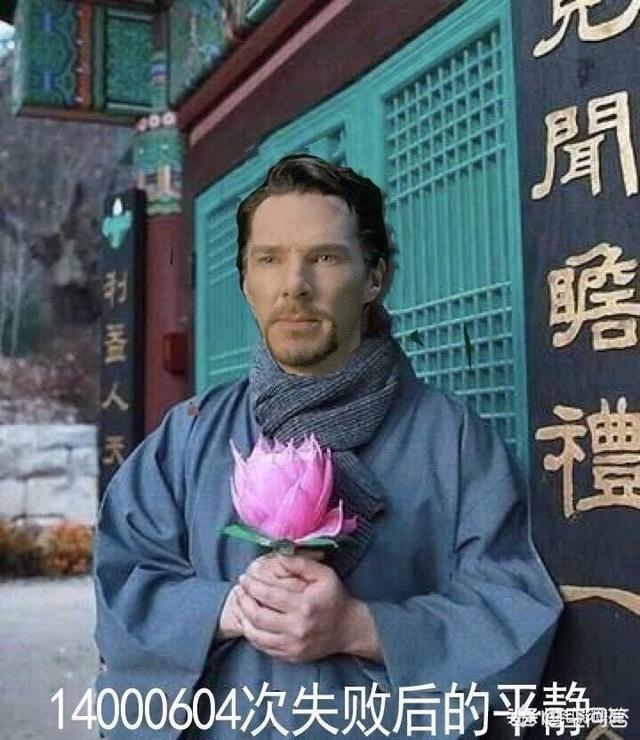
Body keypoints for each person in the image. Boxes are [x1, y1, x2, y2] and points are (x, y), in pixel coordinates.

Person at [93, 154, 563, 739]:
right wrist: (230, 609)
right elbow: (124, 580)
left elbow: (511, 606)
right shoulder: (189, 436)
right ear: (245, 282)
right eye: (269, 259)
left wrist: (360, 627)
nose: (295, 284)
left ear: (374, 278)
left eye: (325, 257)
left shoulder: (455, 440)